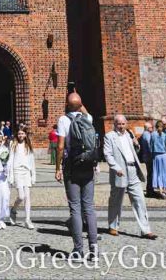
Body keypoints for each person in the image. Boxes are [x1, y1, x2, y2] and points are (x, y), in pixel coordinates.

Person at [55, 92, 98, 259]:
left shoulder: (63, 120)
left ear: (67, 105)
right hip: (88, 167)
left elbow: (60, 147)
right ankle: (94, 249)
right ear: (80, 105)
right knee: (89, 208)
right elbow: (83, 109)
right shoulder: (88, 119)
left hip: (72, 167)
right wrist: (80, 104)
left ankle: (78, 249)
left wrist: (58, 168)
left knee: (75, 209)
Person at [104, 114, 157, 240]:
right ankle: (113, 226)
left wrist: (137, 145)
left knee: (140, 200)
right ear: (115, 124)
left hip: (133, 169)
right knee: (116, 200)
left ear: (126, 124)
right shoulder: (109, 136)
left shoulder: (129, 135)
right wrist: (116, 167)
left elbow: (134, 152)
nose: (121, 126)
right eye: (119, 124)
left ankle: (146, 230)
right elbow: (108, 154)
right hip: (120, 171)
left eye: (123, 124)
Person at [8, 124, 36, 229]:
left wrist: (33, 175)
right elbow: (10, 160)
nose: (21, 135)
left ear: (25, 134)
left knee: (27, 197)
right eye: (19, 133)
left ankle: (27, 219)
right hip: (17, 171)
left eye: (22, 133)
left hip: (26, 171)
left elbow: (32, 160)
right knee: (21, 196)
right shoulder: (12, 144)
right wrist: (10, 175)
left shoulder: (28, 144)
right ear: (17, 134)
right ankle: (13, 210)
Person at [150, 119, 166, 198]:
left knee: (158, 173)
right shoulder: (165, 135)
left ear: (156, 127)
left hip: (157, 156)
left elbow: (151, 146)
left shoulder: (153, 135)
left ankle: (160, 190)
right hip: (164, 155)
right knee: (165, 172)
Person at [139, 119, 154, 197]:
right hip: (149, 156)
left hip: (146, 156)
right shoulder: (147, 134)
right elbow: (149, 144)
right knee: (150, 173)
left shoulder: (144, 134)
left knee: (150, 173)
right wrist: (153, 153)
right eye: (151, 127)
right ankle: (150, 190)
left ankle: (150, 189)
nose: (152, 128)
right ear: (147, 128)